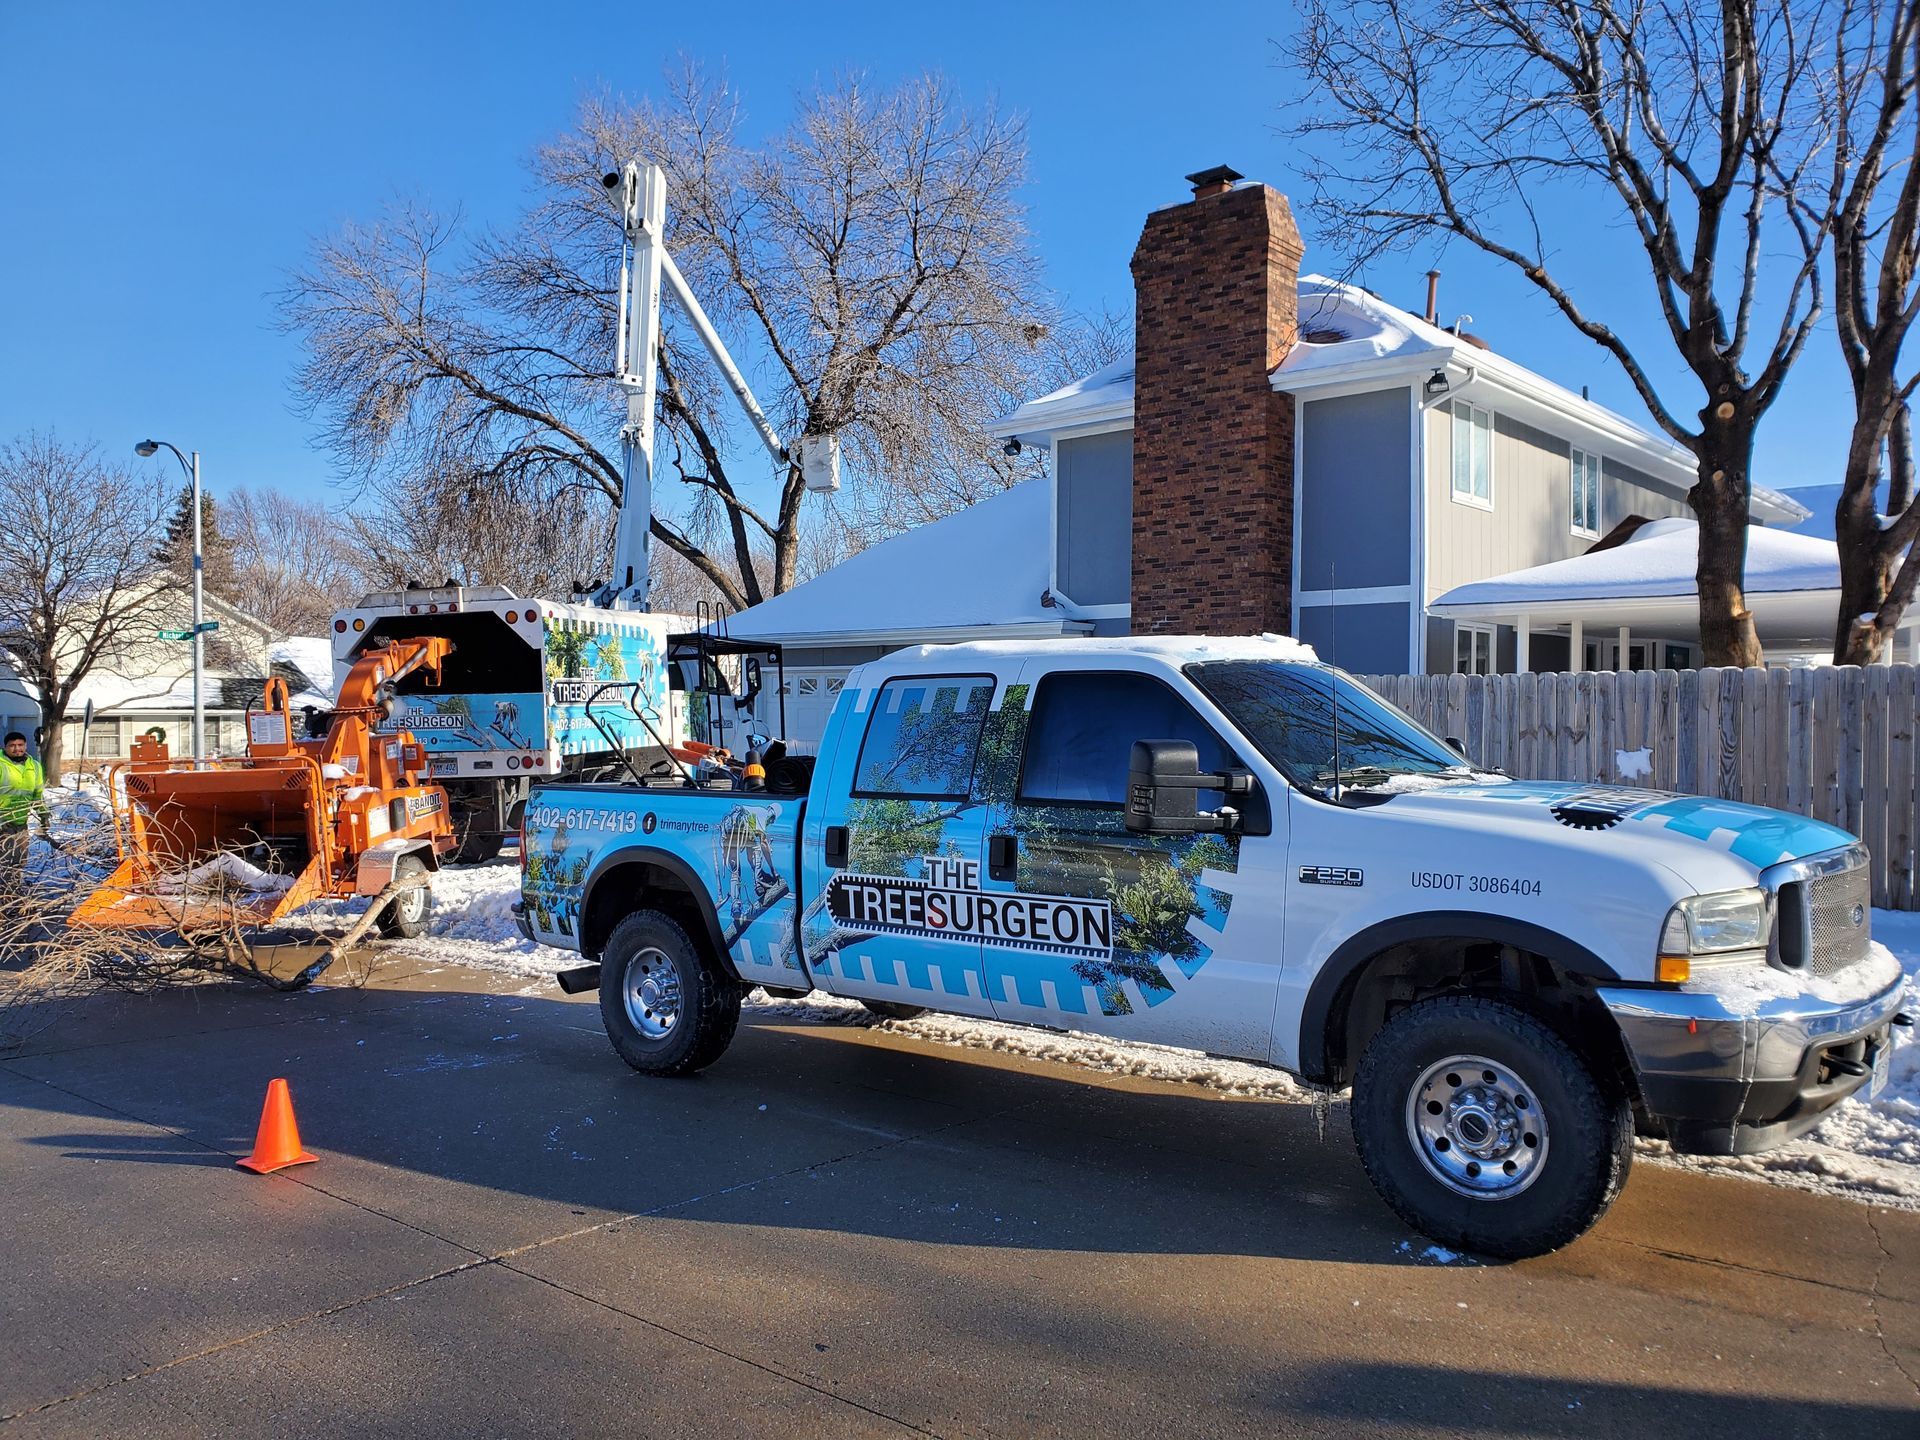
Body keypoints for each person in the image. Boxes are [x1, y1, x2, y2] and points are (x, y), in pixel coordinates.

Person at [0, 730, 49, 898]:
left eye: (20, 745)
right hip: (2, 821)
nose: (16, 749)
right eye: (12, 746)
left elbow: (37, 794)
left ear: (25, 746)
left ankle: (11, 891)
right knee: (6, 860)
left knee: (19, 859)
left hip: (20, 821)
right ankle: (7, 896)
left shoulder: (34, 765)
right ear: (5, 747)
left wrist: (43, 814)